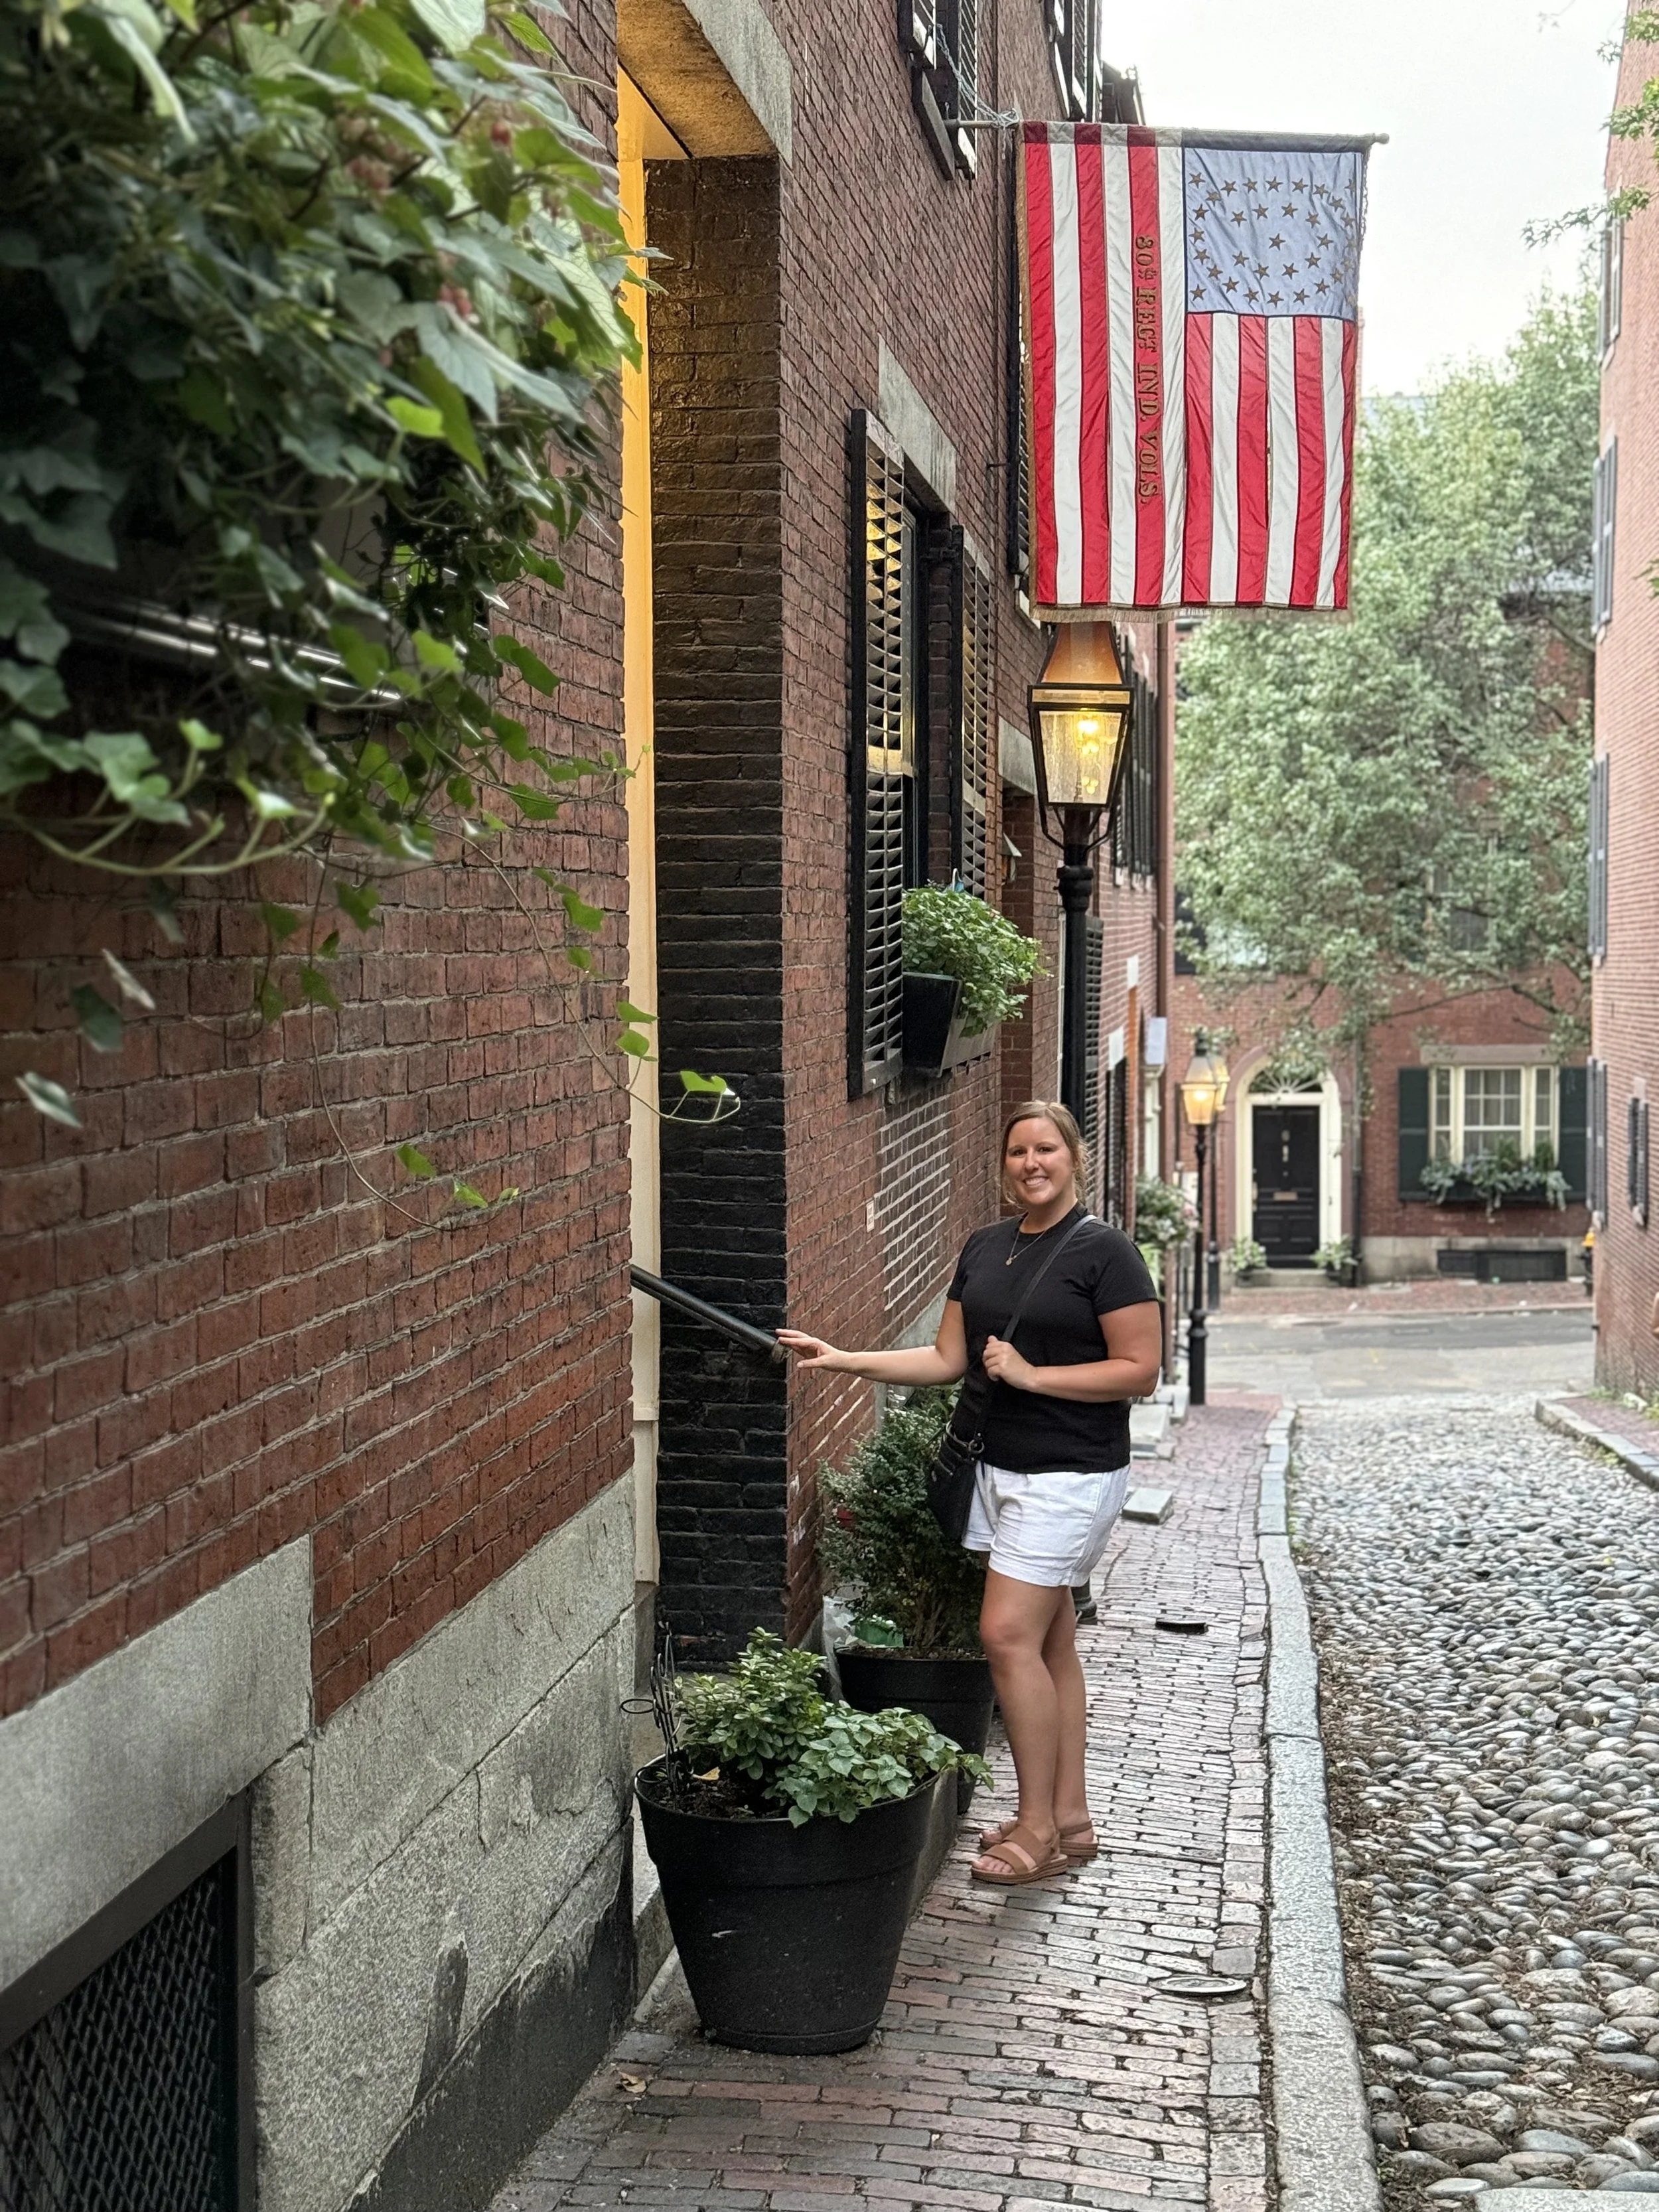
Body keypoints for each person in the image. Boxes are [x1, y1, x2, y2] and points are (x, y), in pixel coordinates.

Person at [778, 1102, 1163, 1886]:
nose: (1031, 1163)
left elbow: (1139, 1371)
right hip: (997, 1469)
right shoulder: (985, 1247)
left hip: (1071, 1474)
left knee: (1005, 1637)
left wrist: (1032, 1376)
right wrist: (845, 1357)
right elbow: (947, 1356)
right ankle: (1071, 1818)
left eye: (1045, 1149)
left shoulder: (1107, 1253)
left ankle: (1035, 1829)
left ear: (1072, 1158)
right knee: (1050, 1642)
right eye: (1017, 1151)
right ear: (1005, 1166)